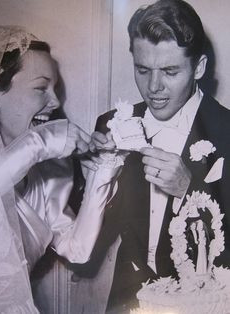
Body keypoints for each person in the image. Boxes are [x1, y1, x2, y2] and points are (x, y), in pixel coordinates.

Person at [70, 0, 230, 313]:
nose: (153, 87)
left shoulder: (227, 132)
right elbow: (83, 243)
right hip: (127, 299)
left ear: (198, 67)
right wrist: (95, 185)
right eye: (143, 70)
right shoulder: (111, 125)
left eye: (170, 71)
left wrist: (191, 189)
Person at [0, 25, 120, 313]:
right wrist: (44, 139)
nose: (55, 102)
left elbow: (77, 250)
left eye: (56, 90)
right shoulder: (38, 149)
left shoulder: (48, 174)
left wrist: (100, 178)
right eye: (41, 88)